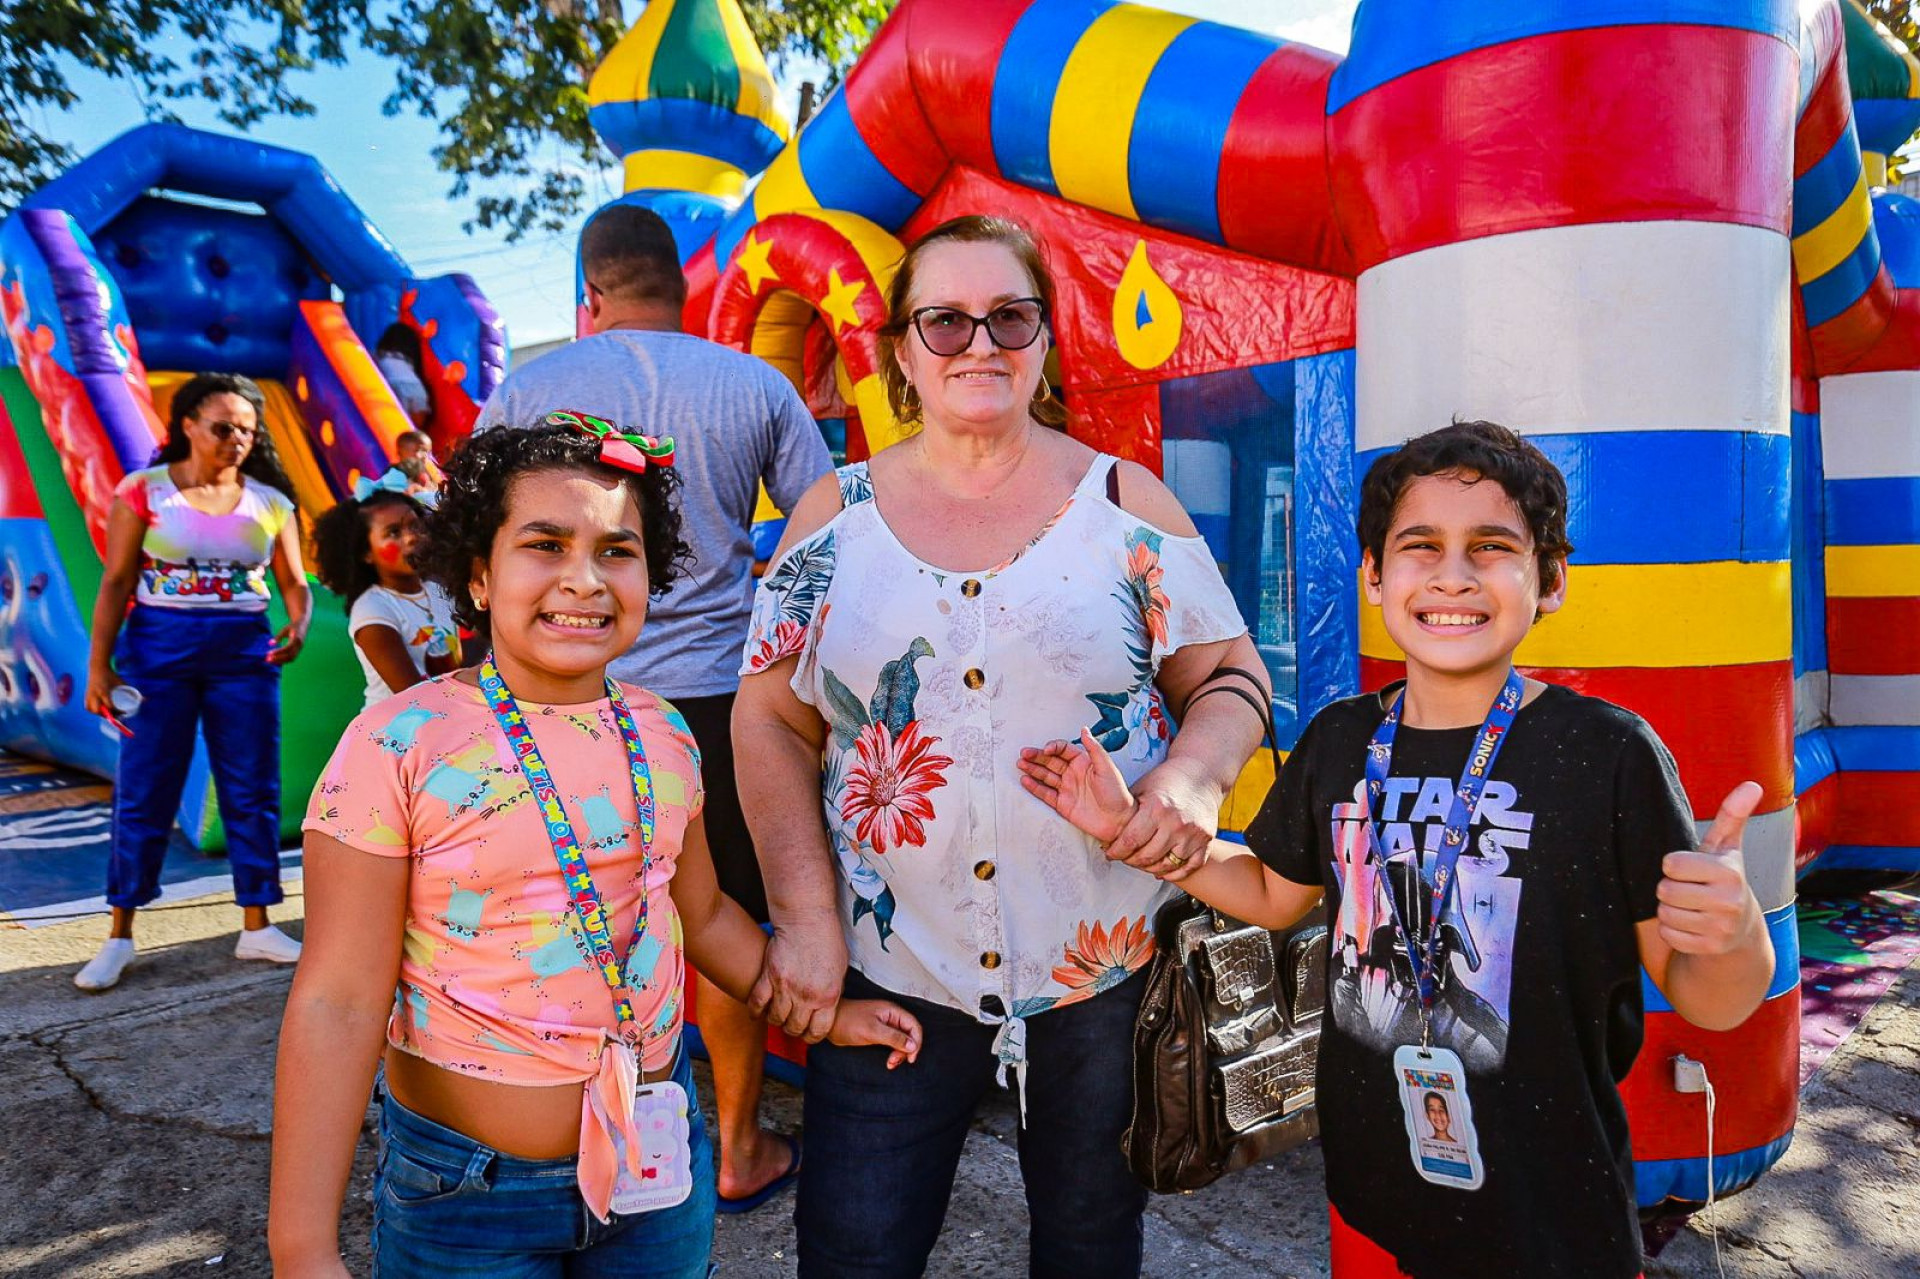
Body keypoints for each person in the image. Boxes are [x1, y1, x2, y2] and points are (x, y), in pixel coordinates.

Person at [1018, 420, 1776, 1279]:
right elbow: (1274, 891)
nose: (1453, 574)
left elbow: (1713, 1003)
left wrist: (1734, 931)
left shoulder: (1608, 754)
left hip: (1553, 1205)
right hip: (1383, 1180)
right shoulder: (1342, 739)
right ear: (1374, 577)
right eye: (1421, 546)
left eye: (1491, 546)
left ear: (1551, 580)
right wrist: (1142, 838)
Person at [735, 215, 1267, 1278]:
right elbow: (769, 718)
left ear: (1044, 343)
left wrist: (1193, 777)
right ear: (898, 352)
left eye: (1009, 317)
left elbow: (1232, 680)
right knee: (855, 1250)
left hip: (1104, 978)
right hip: (893, 970)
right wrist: (801, 916)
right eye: (944, 321)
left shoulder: (1127, 504)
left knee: (1088, 1247)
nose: (979, 344)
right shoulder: (828, 522)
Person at [266, 418, 919, 1278]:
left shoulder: (665, 732)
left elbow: (705, 913)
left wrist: (814, 1010)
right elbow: (339, 999)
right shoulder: (398, 742)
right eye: (545, 543)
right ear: (476, 572)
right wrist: (301, 1246)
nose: (585, 578)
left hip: (655, 1175)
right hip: (470, 1199)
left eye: (619, 550)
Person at [475, 203, 832, 1212]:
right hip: (719, 705)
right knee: (718, 917)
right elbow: (827, 535)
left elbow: (482, 545)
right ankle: (736, 1147)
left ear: (588, 294)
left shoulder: (530, 391)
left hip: (562, 698)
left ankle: (567, 1141)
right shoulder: (753, 384)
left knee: (562, 919)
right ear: (685, 290)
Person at [73, 373, 311, 991]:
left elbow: (293, 583)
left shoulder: (269, 501)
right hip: (159, 654)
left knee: (251, 786)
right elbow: (117, 582)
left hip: (244, 654)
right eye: (224, 427)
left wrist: (299, 623)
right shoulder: (145, 492)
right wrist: (100, 666)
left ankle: (257, 924)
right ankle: (120, 934)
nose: (237, 439)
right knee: (145, 787)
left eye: (248, 431)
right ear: (187, 424)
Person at [310, 482, 458, 708]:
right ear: (367, 553)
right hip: (401, 730)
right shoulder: (372, 610)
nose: (411, 538)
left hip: (453, 714)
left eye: (415, 526)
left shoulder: (438, 588)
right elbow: (413, 696)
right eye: (393, 532)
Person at [375, 323, 433, 430]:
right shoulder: (410, 366)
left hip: (383, 387)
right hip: (414, 389)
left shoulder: (378, 357)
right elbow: (418, 423)